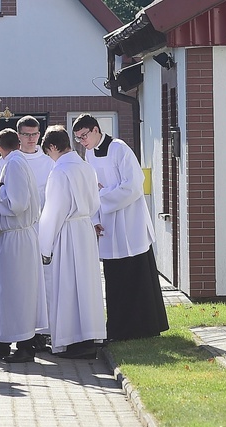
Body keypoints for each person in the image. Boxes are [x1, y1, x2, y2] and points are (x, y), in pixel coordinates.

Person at [72, 113, 169, 341]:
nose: (82, 141)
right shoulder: (88, 153)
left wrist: (101, 194)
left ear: (96, 129)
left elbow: (134, 186)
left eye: (84, 135)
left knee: (135, 275)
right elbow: (91, 188)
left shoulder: (120, 149)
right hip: (108, 225)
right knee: (115, 278)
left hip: (129, 222)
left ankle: (143, 327)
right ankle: (117, 328)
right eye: (78, 138)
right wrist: (95, 219)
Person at [39, 125, 106, 358]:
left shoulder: (60, 171)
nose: (50, 157)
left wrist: (44, 245)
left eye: (48, 152)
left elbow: (54, 210)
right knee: (85, 286)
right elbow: (95, 202)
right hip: (84, 229)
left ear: (54, 147)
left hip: (66, 232)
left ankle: (72, 341)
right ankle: (88, 337)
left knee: (66, 286)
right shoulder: (85, 166)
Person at [0, 128, 48, 363]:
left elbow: (18, 204)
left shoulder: (13, 165)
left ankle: (24, 346)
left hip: (17, 240)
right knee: (7, 293)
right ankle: (3, 342)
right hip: (12, 238)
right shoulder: (16, 162)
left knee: (18, 293)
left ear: (0, 148)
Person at [17, 115, 55, 351]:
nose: (31, 139)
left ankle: (45, 331)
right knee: (23, 282)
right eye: (26, 135)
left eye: (35, 134)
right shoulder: (12, 160)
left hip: (43, 229)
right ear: (18, 135)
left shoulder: (49, 162)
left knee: (46, 282)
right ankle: (24, 331)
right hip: (19, 231)